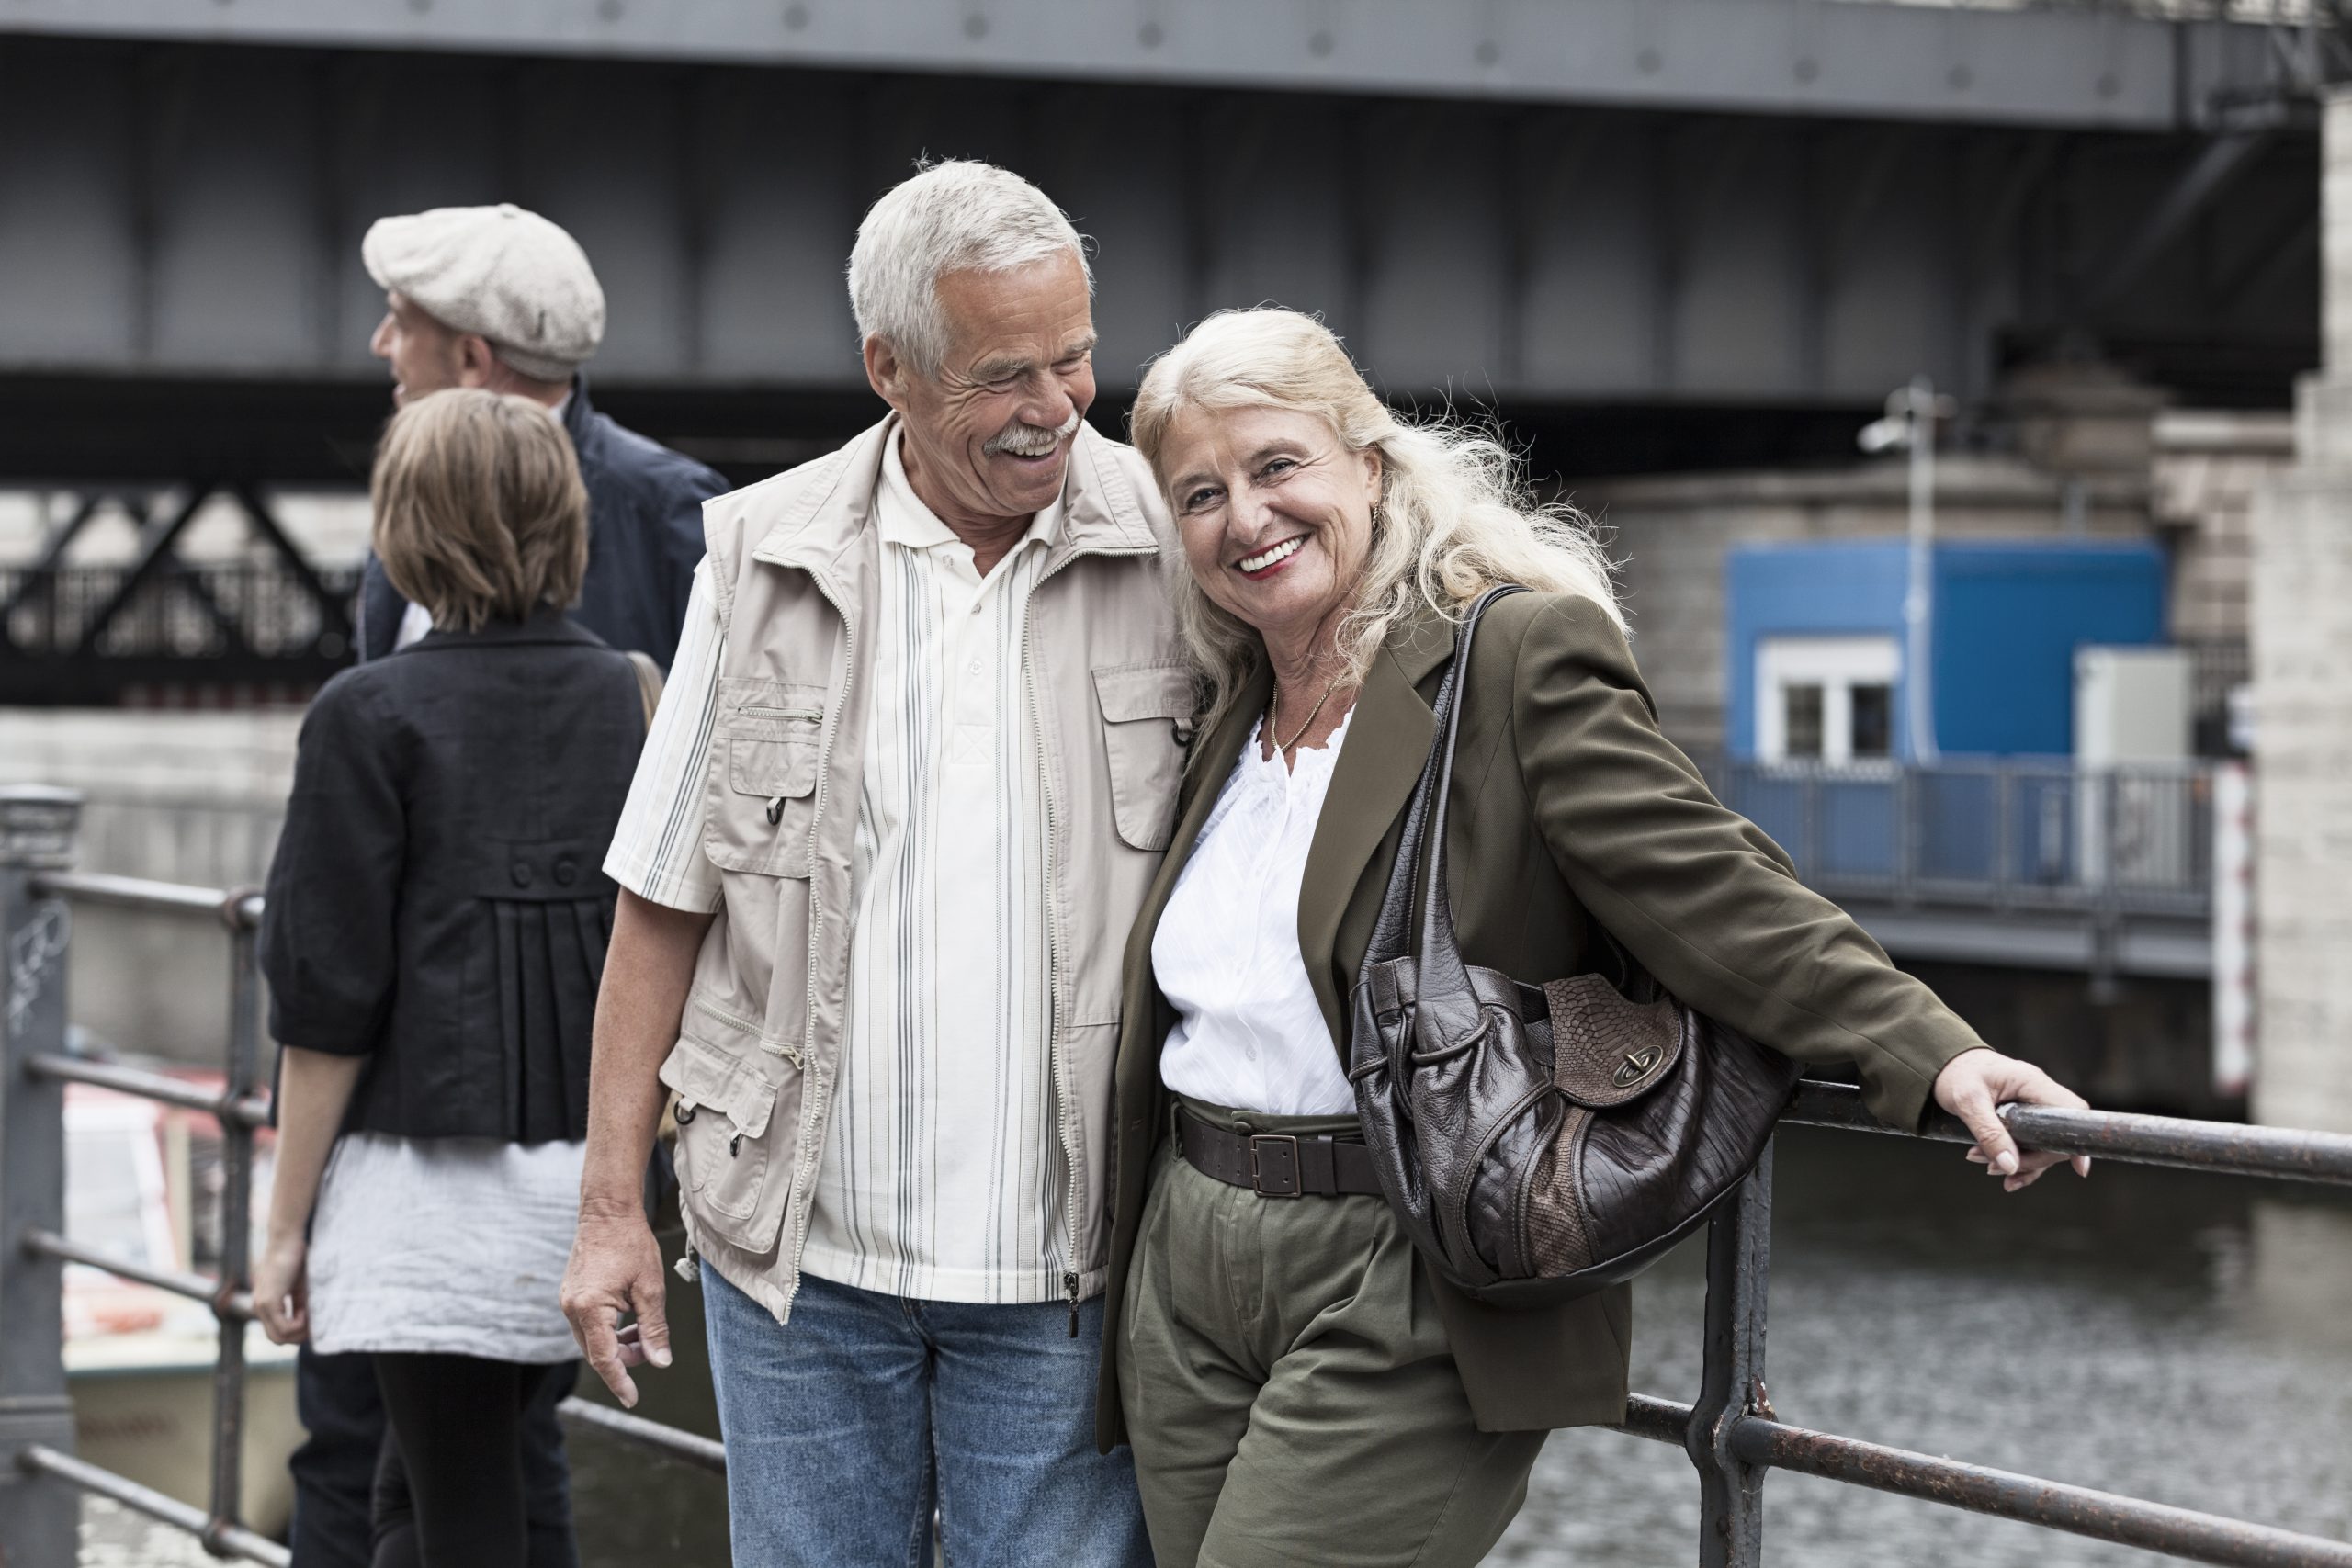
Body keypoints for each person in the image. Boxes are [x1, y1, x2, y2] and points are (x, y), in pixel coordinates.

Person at [1095, 308, 2095, 1568]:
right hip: (1187, 1257)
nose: (1245, 516)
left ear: (1372, 463)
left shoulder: (1507, 656)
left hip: (1410, 1255)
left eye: (1277, 465)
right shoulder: (1225, 697)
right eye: (1201, 491)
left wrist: (1929, 1048)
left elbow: (1708, 878)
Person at [560, 160, 1182, 1567]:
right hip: (799, 1270)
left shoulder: (1170, 543)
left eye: (1077, 356)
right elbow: (663, 892)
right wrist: (611, 1210)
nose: (1058, 407)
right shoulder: (761, 555)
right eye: (1005, 373)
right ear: (889, 368)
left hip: (1070, 1271)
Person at [253, 389, 645, 1568]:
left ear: (406, 526)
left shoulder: (367, 714)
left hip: (428, 1197)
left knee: (449, 1514)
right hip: (593, 1193)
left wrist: (282, 1229)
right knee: (447, 1495)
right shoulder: (635, 691)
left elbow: (326, 1006)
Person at [355, 201, 724, 669]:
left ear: (472, 360)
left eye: (401, 324)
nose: (381, 343)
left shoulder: (667, 508)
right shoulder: (662, 505)